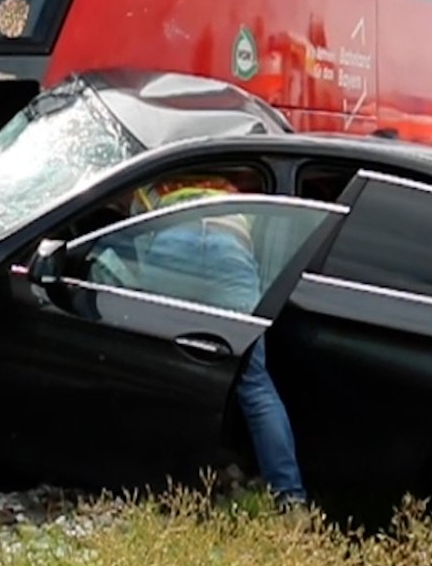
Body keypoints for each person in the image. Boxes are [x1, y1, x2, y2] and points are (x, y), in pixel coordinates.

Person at [122, 174, 309, 509]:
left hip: (171, 249)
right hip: (230, 252)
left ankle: (147, 485)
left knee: (156, 371)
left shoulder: (155, 184)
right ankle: (290, 498)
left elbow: (132, 238)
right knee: (254, 385)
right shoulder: (234, 190)